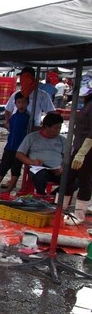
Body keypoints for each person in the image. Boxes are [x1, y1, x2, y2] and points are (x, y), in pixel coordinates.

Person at [0, 93, 31, 197]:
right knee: (3, 168)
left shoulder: (29, 118)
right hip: (9, 146)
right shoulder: (13, 117)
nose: (21, 104)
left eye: (23, 102)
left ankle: (8, 191)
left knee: (15, 169)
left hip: (20, 149)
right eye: (19, 102)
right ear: (15, 104)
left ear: (28, 103)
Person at [15, 112, 70, 198]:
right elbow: (19, 154)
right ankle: (42, 196)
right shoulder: (32, 137)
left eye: (59, 127)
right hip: (38, 168)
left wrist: (62, 167)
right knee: (41, 176)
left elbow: (67, 157)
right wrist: (32, 162)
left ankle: (53, 196)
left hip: (57, 170)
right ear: (46, 127)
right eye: (55, 128)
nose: (58, 130)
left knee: (74, 181)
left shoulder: (62, 140)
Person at [67, 86, 92, 223]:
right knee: (68, 177)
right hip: (78, 146)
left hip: (87, 148)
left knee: (84, 180)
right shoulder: (87, 105)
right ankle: (61, 207)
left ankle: (79, 215)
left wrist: (82, 152)